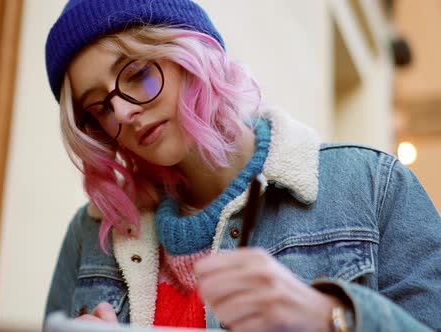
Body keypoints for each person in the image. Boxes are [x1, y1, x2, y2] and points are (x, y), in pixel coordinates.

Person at [43, 1, 441, 331]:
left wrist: (331, 318)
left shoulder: (372, 186)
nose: (124, 112)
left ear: (192, 53)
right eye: (99, 108)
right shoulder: (91, 234)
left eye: (137, 74)